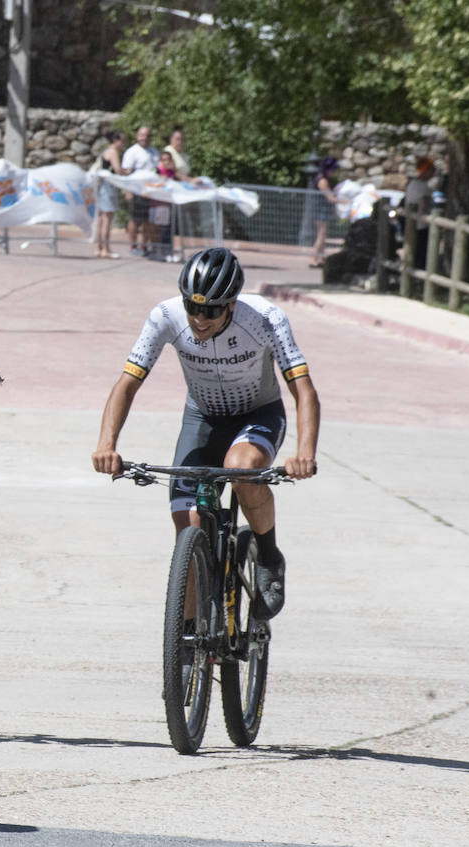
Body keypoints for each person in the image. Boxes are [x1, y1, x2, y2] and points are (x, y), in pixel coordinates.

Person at [91, 247, 320, 624]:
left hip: (256, 415)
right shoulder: (165, 316)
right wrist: (106, 445)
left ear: (231, 304)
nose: (199, 318)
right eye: (192, 307)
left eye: (212, 310)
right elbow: (127, 383)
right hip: (203, 417)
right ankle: (187, 643)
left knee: (239, 468)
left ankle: (268, 558)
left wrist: (304, 451)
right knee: (189, 529)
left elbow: (303, 389)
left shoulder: (264, 318)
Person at [121, 125, 159, 255]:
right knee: (134, 219)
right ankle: (133, 246)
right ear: (137, 136)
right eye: (142, 135)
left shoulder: (154, 152)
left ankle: (144, 246)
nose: (145, 138)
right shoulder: (132, 152)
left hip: (151, 192)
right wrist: (128, 191)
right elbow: (126, 173)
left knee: (148, 221)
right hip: (136, 191)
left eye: (147, 135)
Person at [93, 129, 128, 260]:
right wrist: (129, 173)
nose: (124, 144)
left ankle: (98, 248)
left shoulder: (106, 150)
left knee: (101, 219)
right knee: (107, 219)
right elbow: (118, 170)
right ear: (116, 140)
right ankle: (105, 249)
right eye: (122, 141)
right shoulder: (113, 152)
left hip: (102, 186)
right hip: (108, 187)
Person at [309, 156, 342, 268]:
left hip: (322, 211)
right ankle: (314, 259)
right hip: (321, 211)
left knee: (323, 235)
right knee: (321, 235)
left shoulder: (322, 179)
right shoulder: (322, 181)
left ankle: (321, 259)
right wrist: (347, 201)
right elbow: (330, 198)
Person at [149, 150, 179, 262]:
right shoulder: (158, 171)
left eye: (168, 160)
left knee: (165, 229)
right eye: (164, 160)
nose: (166, 162)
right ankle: (156, 250)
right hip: (157, 204)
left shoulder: (171, 172)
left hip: (167, 205)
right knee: (156, 228)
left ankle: (164, 251)